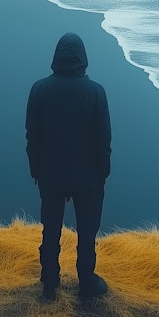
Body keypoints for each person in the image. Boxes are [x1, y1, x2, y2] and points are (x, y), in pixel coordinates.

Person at [26, 32, 112, 301]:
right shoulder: (96, 92)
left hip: (51, 175)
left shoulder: (39, 89)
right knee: (87, 233)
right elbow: (103, 139)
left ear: (56, 57)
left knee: (50, 231)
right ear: (83, 59)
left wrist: (36, 170)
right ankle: (87, 282)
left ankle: (49, 285)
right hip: (88, 178)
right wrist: (103, 173)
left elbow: (33, 136)